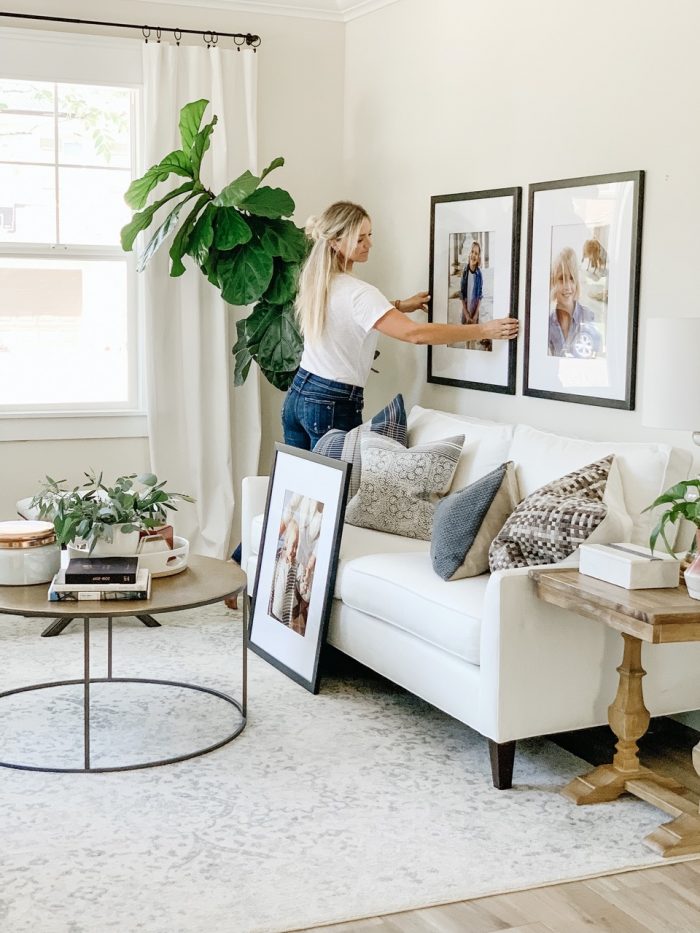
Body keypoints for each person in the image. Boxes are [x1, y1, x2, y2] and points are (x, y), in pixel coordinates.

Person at [283, 201, 519, 449]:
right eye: (360, 239)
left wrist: (400, 305)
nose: (369, 244)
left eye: (369, 235)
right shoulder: (359, 293)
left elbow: (348, 316)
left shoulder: (319, 282)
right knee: (340, 486)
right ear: (335, 243)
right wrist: (484, 329)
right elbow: (414, 333)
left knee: (299, 485)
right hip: (331, 404)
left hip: (298, 395)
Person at [548, 247, 598, 357]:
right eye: (561, 279)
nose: (567, 287)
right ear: (553, 283)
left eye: (571, 278)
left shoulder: (588, 316)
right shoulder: (548, 324)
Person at [460, 240, 483, 325]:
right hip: (465, 311)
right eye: (472, 252)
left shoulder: (479, 274)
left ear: (478, 258)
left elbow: (480, 295)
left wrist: (476, 314)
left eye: (476, 253)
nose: (473, 255)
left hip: (474, 311)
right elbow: (461, 294)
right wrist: (466, 314)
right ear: (469, 253)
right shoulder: (465, 272)